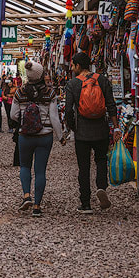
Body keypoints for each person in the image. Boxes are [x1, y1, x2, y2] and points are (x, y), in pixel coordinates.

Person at [9, 60, 64, 218]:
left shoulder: (20, 92)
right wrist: (60, 137)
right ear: (41, 75)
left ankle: (26, 196)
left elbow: (13, 115)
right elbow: (54, 118)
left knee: (25, 167)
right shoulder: (50, 93)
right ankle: (37, 206)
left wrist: (21, 118)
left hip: (25, 136)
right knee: (40, 171)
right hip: (44, 136)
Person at [64, 52, 117, 214]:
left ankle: (85, 203)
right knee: (101, 160)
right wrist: (116, 127)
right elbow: (111, 105)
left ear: (78, 66)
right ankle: (101, 187)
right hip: (101, 129)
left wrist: (72, 126)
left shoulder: (73, 84)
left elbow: (68, 110)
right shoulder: (102, 80)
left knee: (84, 166)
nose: (72, 68)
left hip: (82, 132)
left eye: (73, 65)